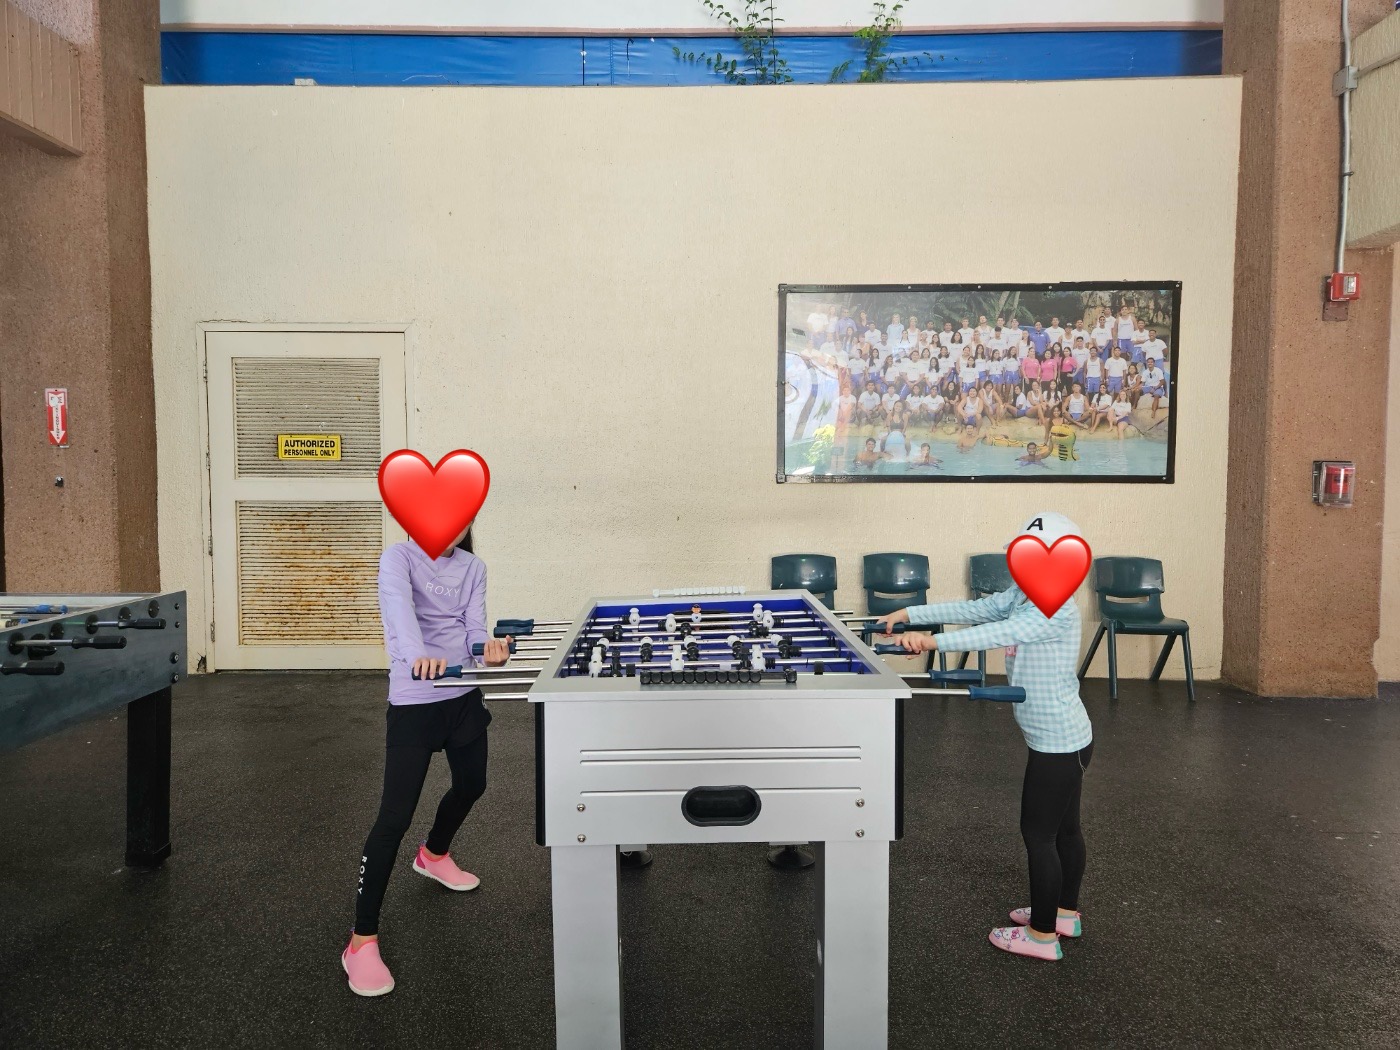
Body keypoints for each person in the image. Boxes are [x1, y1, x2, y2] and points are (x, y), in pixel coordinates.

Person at [877, 512, 1094, 961]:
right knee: (1064, 830)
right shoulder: (1025, 595)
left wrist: (930, 643)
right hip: (1063, 738)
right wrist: (911, 614)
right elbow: (975, 610)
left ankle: (1041, 936)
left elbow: (999, 632)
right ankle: (1063, 914)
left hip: (1059, 743)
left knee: (1040, 835)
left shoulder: (1056, 609)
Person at [344, 525, 512, 996]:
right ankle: (361, 941)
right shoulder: (398, 558)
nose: (452, 525)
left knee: (472, 784)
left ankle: (434, 855)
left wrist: (488, 651)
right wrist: (419, 656)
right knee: (393, 819)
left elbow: (473, 630)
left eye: (462, 516)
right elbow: (400, 614)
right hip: (415, 699)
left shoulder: (473, 567)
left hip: (462, 695)